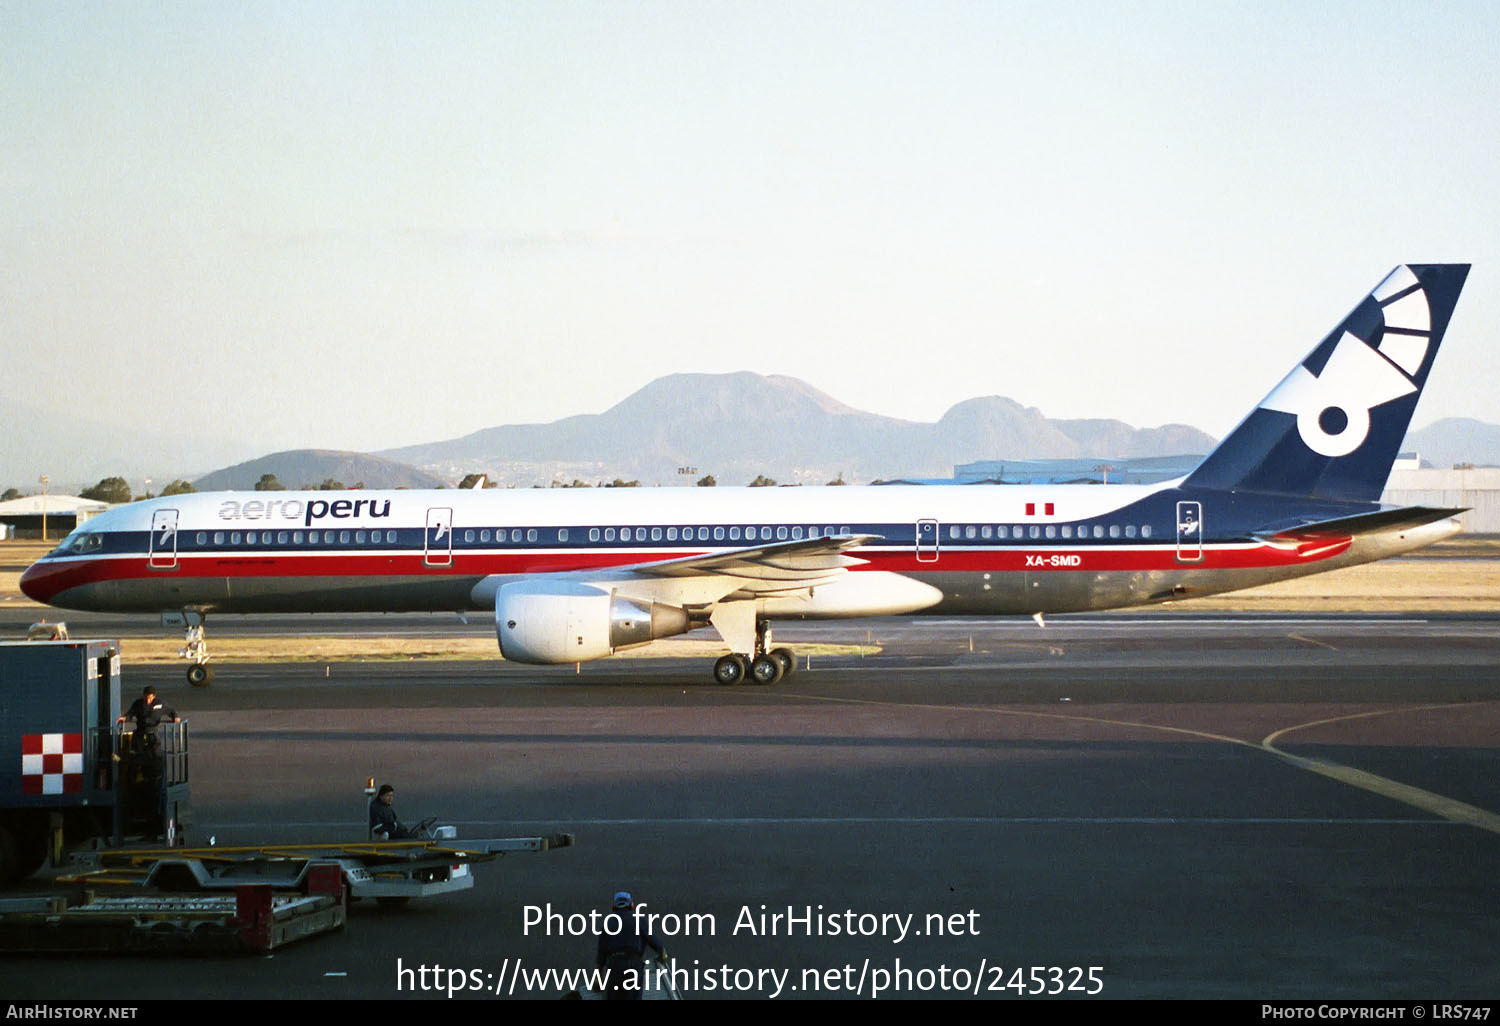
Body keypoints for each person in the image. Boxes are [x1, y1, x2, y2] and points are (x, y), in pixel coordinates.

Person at [595, 891, 667, 1000]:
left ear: (613, 906)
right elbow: (654, 941)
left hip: (614, 966)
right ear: (631, 905)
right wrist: (662, 953)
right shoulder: (640, 920)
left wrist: (598, 976)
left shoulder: (607, 923)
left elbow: (601, 953)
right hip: (633, 965)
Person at [117, 685, 179, 750]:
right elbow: (130, 713)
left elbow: (171, 710)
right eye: (145, 698)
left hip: (153, 732)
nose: (147, 700)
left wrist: (175, 717)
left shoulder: (160, 704)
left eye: (149, 698)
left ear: (154, 696)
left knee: (155, 751)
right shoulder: (138, 704)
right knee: (137, 751)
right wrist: (125, 718)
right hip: (140, 732)